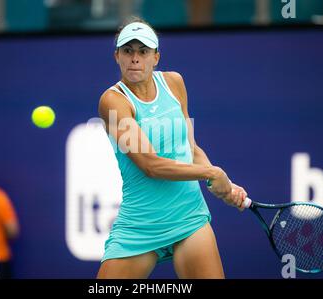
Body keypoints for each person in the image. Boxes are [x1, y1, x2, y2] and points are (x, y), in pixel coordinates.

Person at [97, 17, 248, 279]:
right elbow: (150, 165)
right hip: (140, 224)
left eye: (143, 51)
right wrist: (211, 174)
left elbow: (190, 148)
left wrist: (225, 185)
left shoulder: (175, 83)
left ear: (156, 57)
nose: (135, 58)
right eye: (128, 51)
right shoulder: (113, 101)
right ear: (117, 56)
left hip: (189, 216)